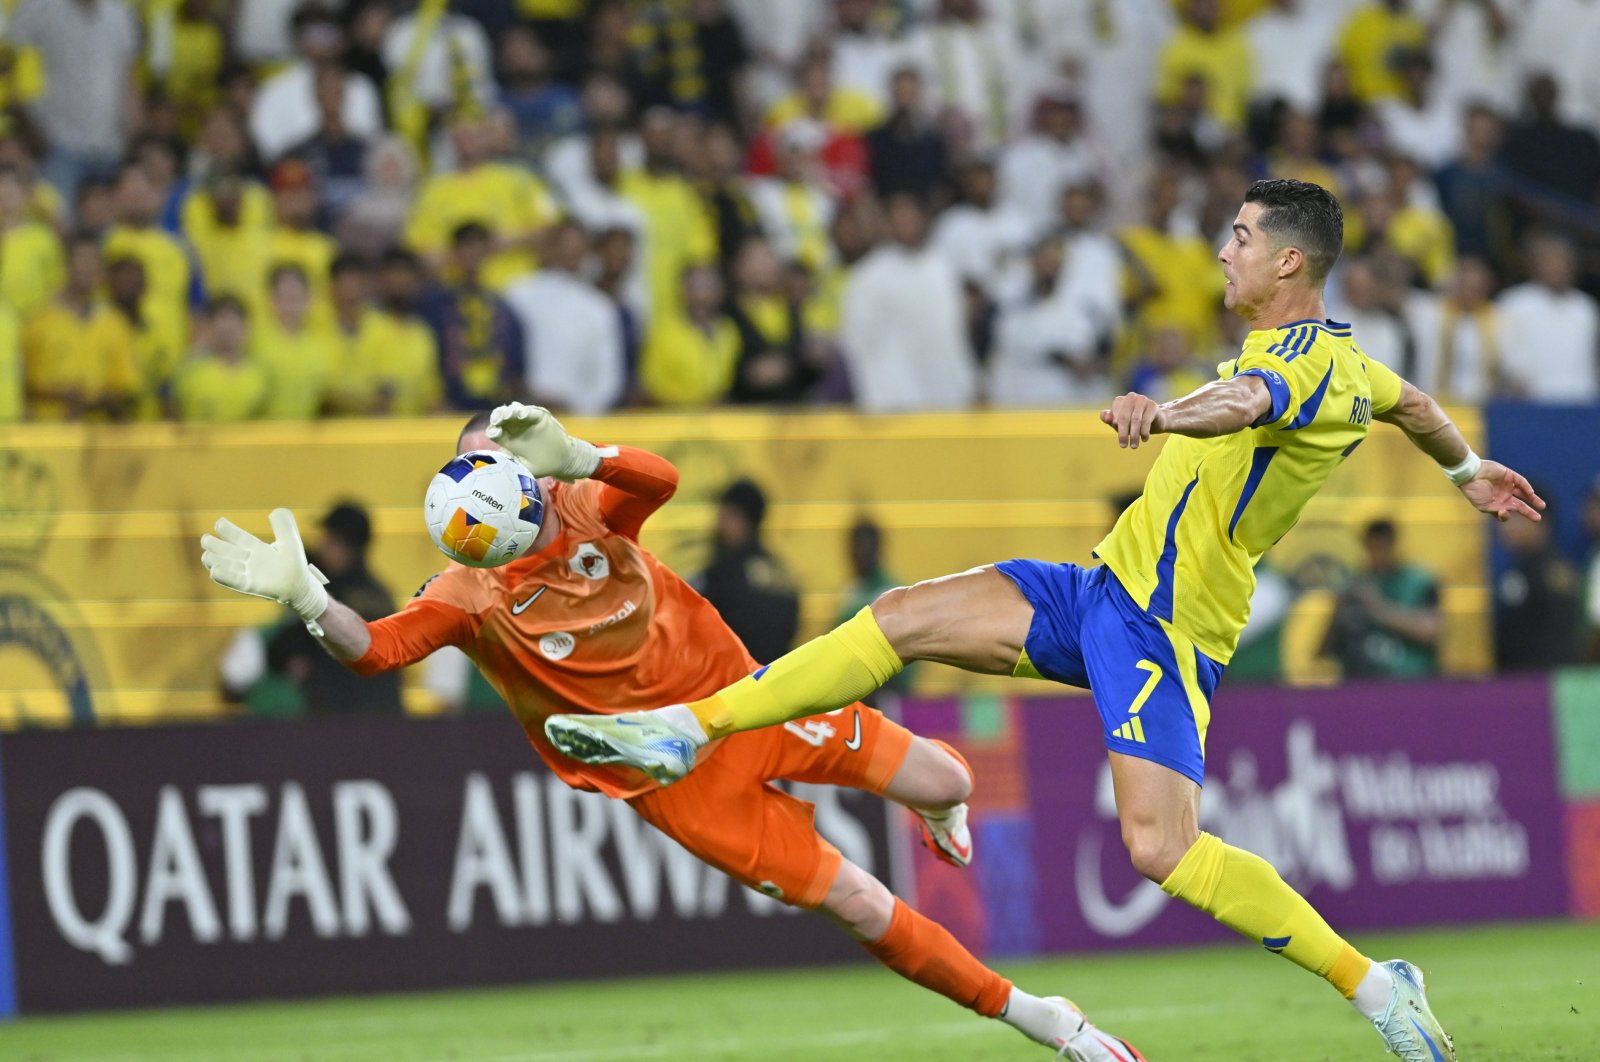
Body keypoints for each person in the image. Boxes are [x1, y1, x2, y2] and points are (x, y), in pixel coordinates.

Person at [546, 179, 1549, 1061]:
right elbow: (1412, 404)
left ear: (1289, 258)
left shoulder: (1306, 370)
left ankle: (1375, 985)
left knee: (1160, 852)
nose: (1221, 250)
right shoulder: (1348, 364)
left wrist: (1161, 413)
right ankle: (690, 729)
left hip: (1167, 632)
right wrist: (1466, 470)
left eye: (1239, 236)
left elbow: (1243, 402)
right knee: (899, 617)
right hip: (1098, 593)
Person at [195, 408, 1144, 1062]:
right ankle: (1051, 1026)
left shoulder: (582, 503)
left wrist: (584, 454)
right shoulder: (468, 594)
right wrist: (310, 599)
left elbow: (660, 478)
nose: (497, 473)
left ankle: (945, 804)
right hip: (671, 775)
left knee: (941, 778)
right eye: (477, 460)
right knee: (857, 905)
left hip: (746, 697)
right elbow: (377, 651)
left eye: (510, 455)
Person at [693, 478, 800, 667]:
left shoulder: (725, 572)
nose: (718, 524)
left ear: (742, 520)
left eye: (725, 516)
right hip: (775, 681)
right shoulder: (781, 574)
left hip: (736, 682)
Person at [1320, 519, 1441, 680]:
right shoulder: (1356, 583)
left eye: (1382, 547)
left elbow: (1430, 631)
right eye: (1372, 548)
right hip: (1362, 681)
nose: (1377, 554)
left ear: (1394, 545)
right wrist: (1339, 608)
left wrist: (1377, 608)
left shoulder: (1419, 581)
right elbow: (1324, 649)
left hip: (1410, 681)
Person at [1494, 488, 1581, 672]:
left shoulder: (1557, 573)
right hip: (1511, 684)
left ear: (1539, 520)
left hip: (1546, 687)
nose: (1504, 527)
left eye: (1514, 517)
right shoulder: (1514, 571)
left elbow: (1559, 642)